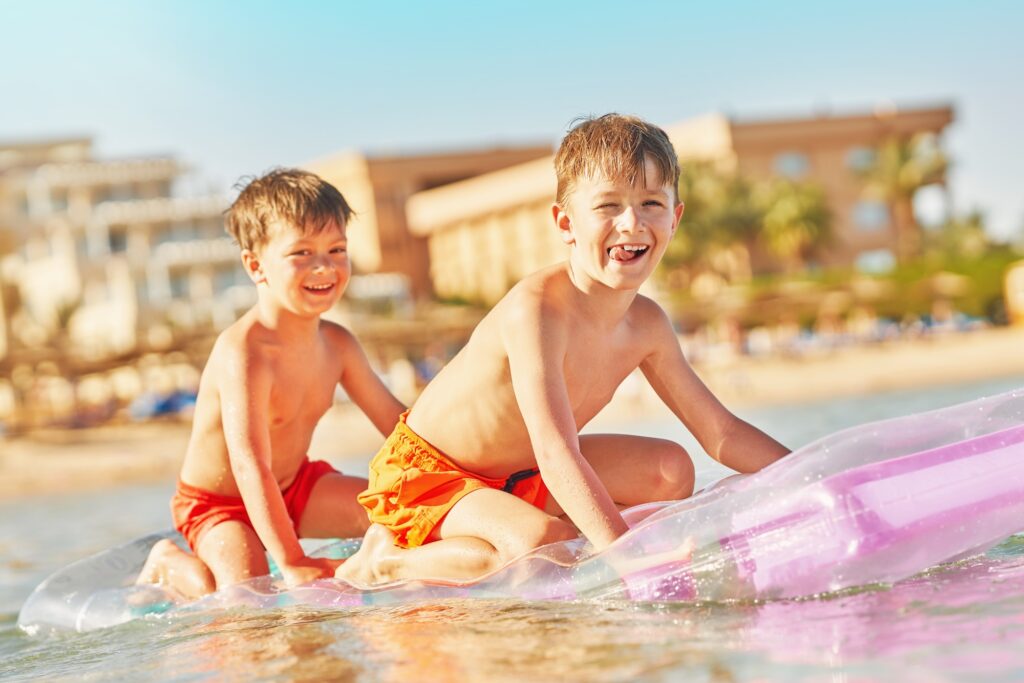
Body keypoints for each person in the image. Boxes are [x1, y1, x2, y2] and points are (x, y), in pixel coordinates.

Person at [337, 114, 789, 587]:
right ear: (565, 222)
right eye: (608, 206)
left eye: (650, 203)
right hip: (431, 476)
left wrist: (812, 472)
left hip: (522, 473)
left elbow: (720, 432)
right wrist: (626, 556)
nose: (631, 223)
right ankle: (385, 562)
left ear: (674, 218)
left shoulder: (647, 325)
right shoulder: (537, 312)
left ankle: (546, 527)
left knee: (670, 469)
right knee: (540, 547)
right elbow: (556, 451)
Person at [137, 169, 405, 598]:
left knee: (403, 514)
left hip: (295, 486)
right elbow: (248, 464)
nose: (325, 266)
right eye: (302, 252)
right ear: (255, 265)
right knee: (247, 594)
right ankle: (167, 561)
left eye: (337, 249)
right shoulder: (244, 352)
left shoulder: (338, 344)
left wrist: (468, 474)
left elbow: (400, 428)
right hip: (220, 504)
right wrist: (293, 560)